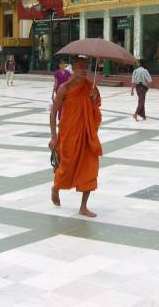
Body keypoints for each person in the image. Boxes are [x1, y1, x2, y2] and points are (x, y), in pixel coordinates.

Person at [49, 56, 102, 217]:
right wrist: (53, 136)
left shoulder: (90, 87)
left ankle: (83, 206)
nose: (85, 70)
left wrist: (93, 99)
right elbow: (53, 113)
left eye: (87, 67)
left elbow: (96, 110)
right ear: (74, 68)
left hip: (86, 135)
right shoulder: (64, 88)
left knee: (90, 167)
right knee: (65, 167)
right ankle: (56, 187)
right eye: (81, 67)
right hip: (68, 134)